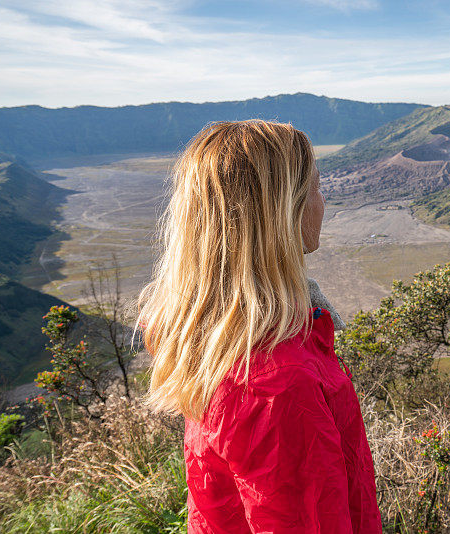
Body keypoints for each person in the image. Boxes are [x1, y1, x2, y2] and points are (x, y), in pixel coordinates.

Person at [136, 120, 382, 533]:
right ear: (282, 211)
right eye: (317, 188)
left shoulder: (218, 341)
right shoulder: (276, 382)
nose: (323, 204)